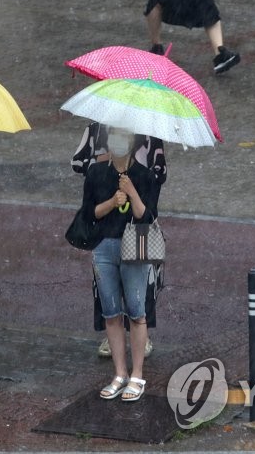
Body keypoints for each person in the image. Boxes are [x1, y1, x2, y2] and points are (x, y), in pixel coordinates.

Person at [71, 122, 165, 358]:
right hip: (105, 230)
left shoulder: (150, 128)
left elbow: (158, 175)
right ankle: (113, 341)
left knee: (140, 294)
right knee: (107, 294)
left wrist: (134, 187)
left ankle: (140, 339)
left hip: (137, 230)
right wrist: (106, 167)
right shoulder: (97, 126)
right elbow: (80, 163)